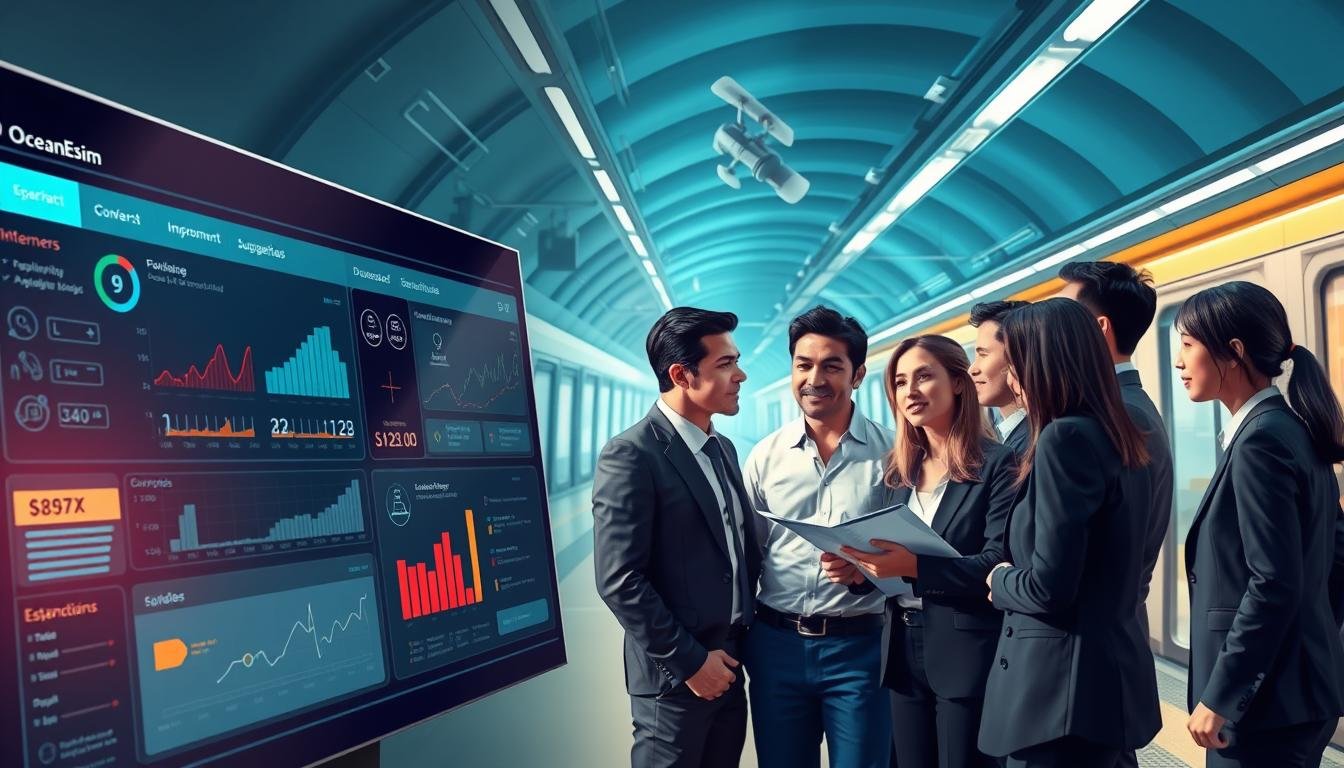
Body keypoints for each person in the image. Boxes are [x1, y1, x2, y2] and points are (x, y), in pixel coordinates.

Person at [977, 298, 1161, 767]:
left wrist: (999, 580)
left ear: (1042, 363)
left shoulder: (1065, 439)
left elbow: (1049, 586)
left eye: (1016, 363)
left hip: (1059, 698)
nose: (1012, 378)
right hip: (1102, 687)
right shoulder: (1119, 432)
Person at [1173, 281, 1344, 767]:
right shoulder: (1290, 430)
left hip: (1263, 706)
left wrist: (1221, 695)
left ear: (1234, 352)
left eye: (1187, 345)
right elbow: (1336, 555)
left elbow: (1273, 582)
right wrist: (1309, 639)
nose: (1179, 362)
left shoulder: (1259, 443)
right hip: (1292, 692)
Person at [835, 335, 1017, 768]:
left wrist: (914, 566)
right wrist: (861, 572)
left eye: (923, 376)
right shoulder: (898, 470)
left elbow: (998, 563)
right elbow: (885, 554)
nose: (910, 392)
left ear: (958, 382)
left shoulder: (996, 464)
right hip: (901, 648)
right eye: (899, 382)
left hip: (965, 652)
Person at [593, 306, 759, 768]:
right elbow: (619, 579)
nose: (740, 375)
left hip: (728, 665)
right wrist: (690, 663)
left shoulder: (721, 448)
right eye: (725, 364)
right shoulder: (631, 454)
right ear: (681, 375)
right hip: (675, 681)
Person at [742, 306, 893, 768]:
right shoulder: (764, 457)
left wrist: (868, 573)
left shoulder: (894, 456)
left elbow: (915, 558)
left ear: (858, 374)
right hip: (776, 646)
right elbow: (748, 555)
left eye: (832, 366)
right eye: (804, 365)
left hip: (861, 651)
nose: (814, 378)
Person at [1058, 261, 1175, 764]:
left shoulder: (1104, 420)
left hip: (1086, 666)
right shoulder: (1134, 408)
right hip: (1108, 658)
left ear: (1098, 327)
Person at [968, 300, 1031, 458]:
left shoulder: (1031, 444)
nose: (972, 369)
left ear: (1018, 357)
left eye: (983, 355)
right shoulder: (1013, 438)